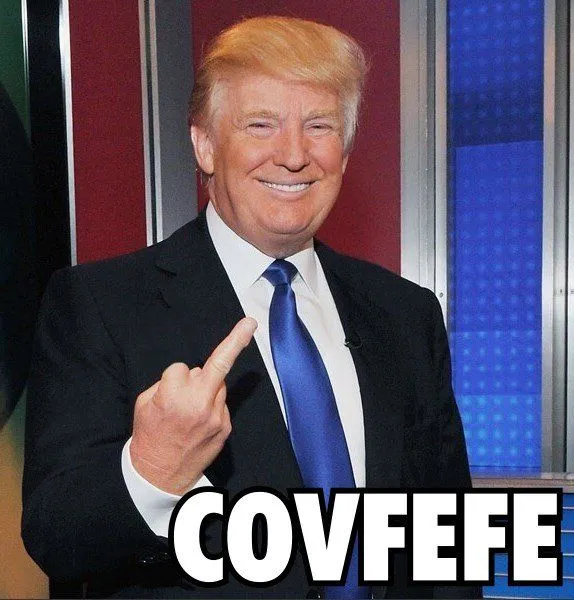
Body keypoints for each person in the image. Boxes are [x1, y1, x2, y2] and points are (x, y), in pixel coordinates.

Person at [23, 15, 479, 599]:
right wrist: (152, 471)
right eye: (261, 124)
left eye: (319, 126)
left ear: (344, 150)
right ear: (205, 145)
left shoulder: (406, 313)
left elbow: (447, 539)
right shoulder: (100, 305)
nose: (293, 155)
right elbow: (56, 537)